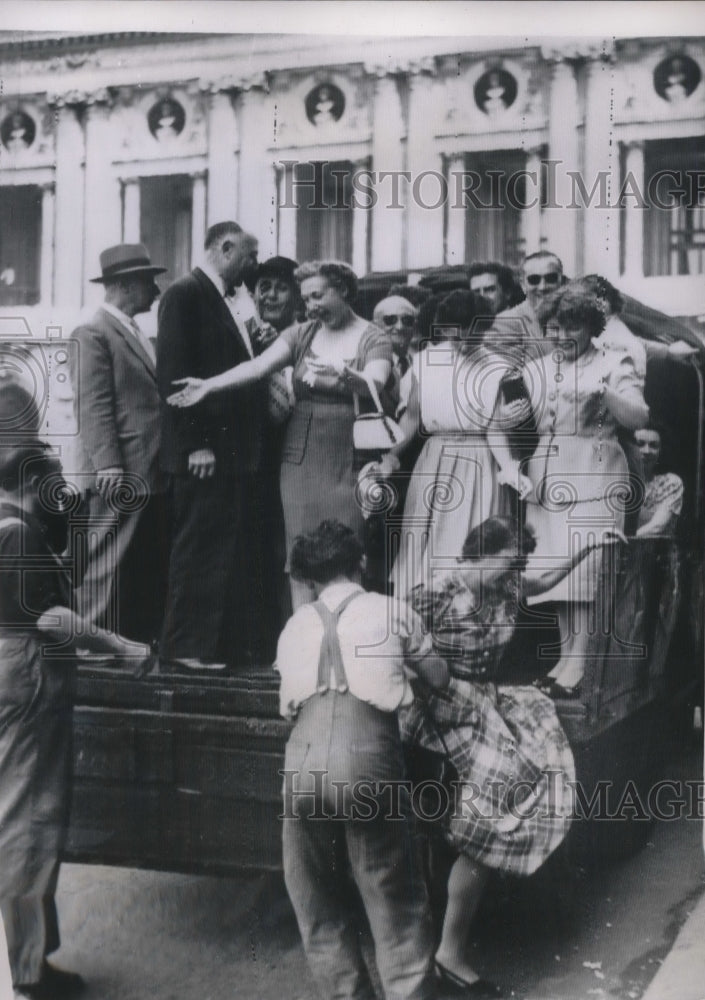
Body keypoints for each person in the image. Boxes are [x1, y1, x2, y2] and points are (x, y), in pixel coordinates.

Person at [401, 515, 618, 996]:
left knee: (539, 773)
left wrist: (589, 550)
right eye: (509, 561)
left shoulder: (506, 586)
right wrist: (421, 685)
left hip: (484, 701)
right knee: (494, 811)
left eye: (519, 563)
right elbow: (393, 644)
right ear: (480, 551)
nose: (515, 572)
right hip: (437, 710)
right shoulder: (435, 590)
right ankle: (449, 950)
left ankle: (453, 935)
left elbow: (545, 579)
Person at [0, 441, 148, 1000]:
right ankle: (26, 972)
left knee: (16, 811)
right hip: (25, 671)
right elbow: (52, 618)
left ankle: (30, 960)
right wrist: (120, 646)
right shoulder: (16, 534)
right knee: (29, 822)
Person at [277, 519, 448, 1000]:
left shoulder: (295, 625)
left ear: (310, 578)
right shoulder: (391, 610)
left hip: (304, 762)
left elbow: (288, 703)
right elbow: (438, 676)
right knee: (392, 893)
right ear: (363, 565)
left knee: (316, 900)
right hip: (368, 758)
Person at [167, 260, 394, 610]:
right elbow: (257, 368)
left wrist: (342, 375)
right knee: (299, 554)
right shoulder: (303, 333)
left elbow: (375, 382)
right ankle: (301, 645)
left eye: (318, 295)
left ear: (344, 290)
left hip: (352, 457)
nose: (311, 306)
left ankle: (345, 643)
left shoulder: (373, 336)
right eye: (306, 298)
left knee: (348, 552)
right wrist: (208, 386)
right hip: (300, 457)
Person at [156, 221, 271, 670]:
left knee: (217, 547)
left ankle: (203, 647)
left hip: (230, 454)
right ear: (226, 248)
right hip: (206, 455)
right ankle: (185, 648)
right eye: (250, 254)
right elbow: (175, 374)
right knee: (198, 548)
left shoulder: (226, 299)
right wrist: (194, 445)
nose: (254, 264)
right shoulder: (185, 294)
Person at [524, 287, 649, 696]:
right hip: (548, 472)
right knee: (556, 570)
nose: (561, 336)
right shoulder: (537, 369)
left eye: (572, 328)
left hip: (594, 470)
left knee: (587, 570)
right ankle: (564, 658)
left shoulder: (615, 362)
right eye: (554, 328)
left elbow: (638, 416)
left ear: (592, 328)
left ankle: (580, 663)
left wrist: (605, 392)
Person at [374, 290, 531, 598]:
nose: (464, 344)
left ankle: (472, 632)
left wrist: (510, 467)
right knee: (426, 547)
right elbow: (413, 417)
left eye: (473, 337)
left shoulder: (500, 368)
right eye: (457, 337)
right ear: (444, 329)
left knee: (473, 546)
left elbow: (496, 430)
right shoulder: (425, 362)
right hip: (435, 461)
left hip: (480, 464)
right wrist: (390, 456)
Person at [71, 243, 168, 646]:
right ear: (126, 285)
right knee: (102, 559)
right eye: (149, 283)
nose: (156, 291)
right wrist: (109, 464)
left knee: (126, 560)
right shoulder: (93, 332)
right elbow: (92, 405)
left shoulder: (134, 332)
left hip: (143, 470)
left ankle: (116, 642)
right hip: (120, 471)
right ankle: (87, 646)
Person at [372, 294, 419, 419]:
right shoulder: (367, 364)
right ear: (375, 326)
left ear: (414, 326)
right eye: (390, 320)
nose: (399, 327)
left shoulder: (421, 364)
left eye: (407, 320)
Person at [635, 424, 684, 538]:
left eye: (653, 445)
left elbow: (657, 527)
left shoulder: (670, 483)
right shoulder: (617, 483)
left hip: (657, 552)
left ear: (660, 450)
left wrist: (621, 543)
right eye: (640, 444)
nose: (647, 451)